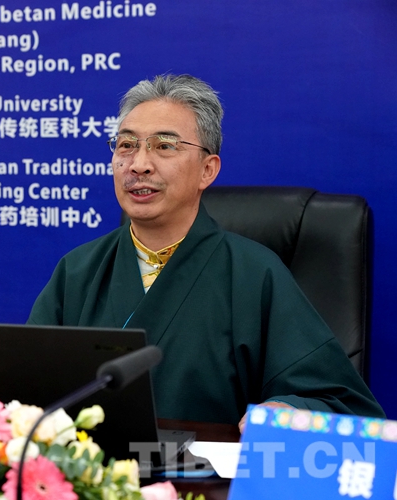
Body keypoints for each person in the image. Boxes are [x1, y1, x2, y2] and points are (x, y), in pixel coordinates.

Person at [27, 74, 384, 429]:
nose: (138, 164)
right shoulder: (78, 270)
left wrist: (283, 410)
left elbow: (340, 405)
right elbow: (23, 389)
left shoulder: (254, 274)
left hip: (208, 467)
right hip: (88, 465)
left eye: (164, 146)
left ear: (207, 170)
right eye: (126, 145)